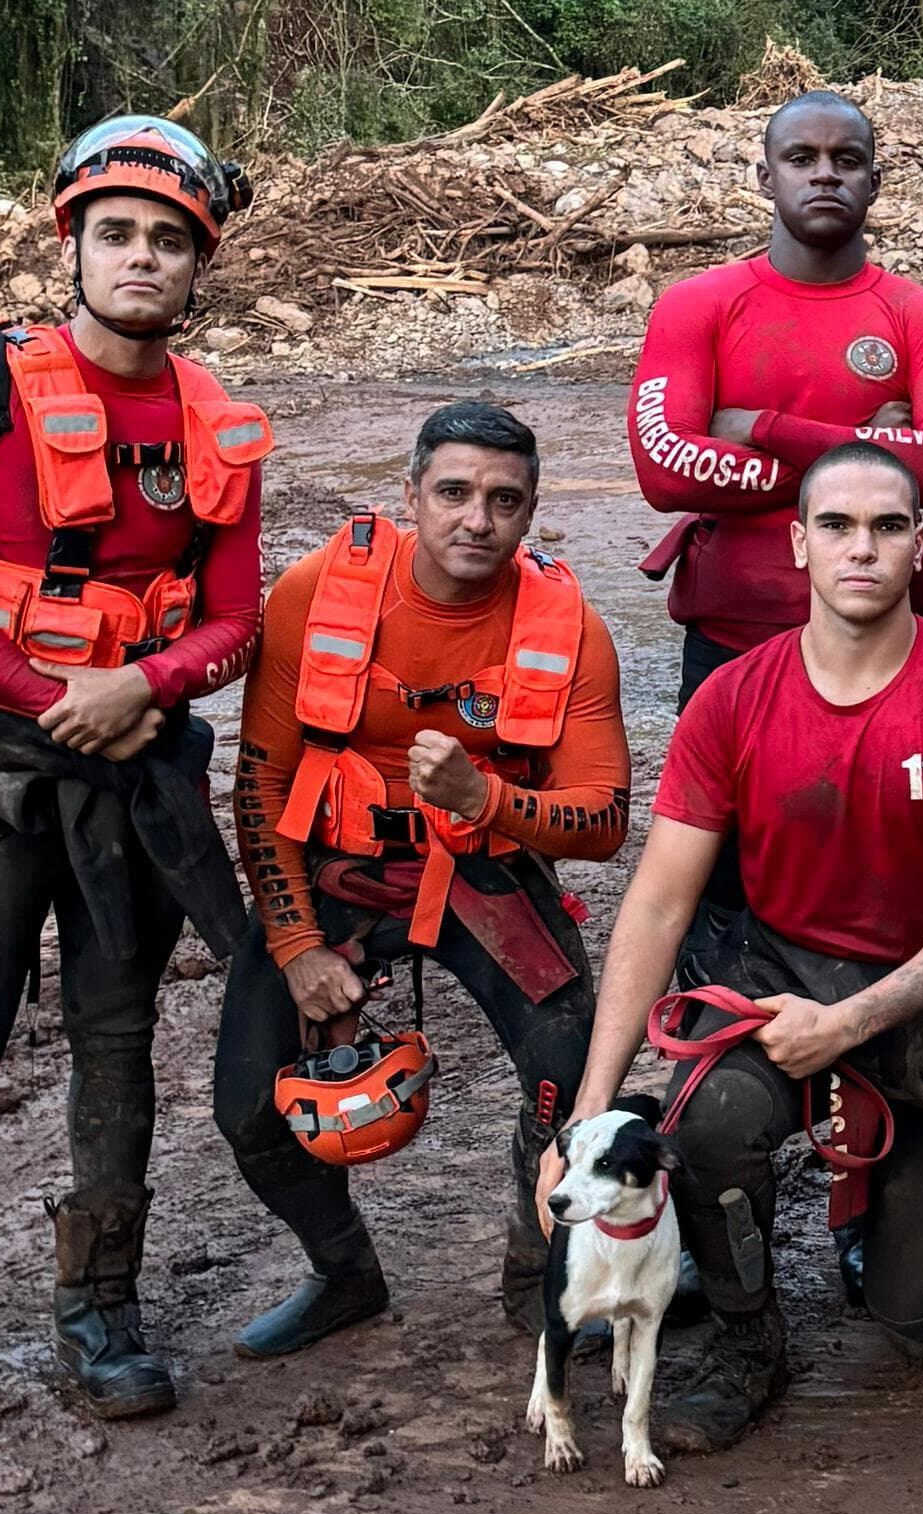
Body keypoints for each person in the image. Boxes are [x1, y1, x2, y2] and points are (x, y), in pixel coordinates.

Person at [0, 113, 271, 1475]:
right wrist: (53, 698)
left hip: (133, 771)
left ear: (199, 263)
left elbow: (238, 621)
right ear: (71, 246)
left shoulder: (217, 423)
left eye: (169, 240)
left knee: (116, 1045)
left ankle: (102, 1316)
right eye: (118, 233)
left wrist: (140, 686)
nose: (143, 257)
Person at [547, 439, 923, 1452]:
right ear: (797, 544)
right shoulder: (734, 697)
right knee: (708, 1123)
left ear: (920, 543)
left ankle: (878, 1208)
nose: (861, 547)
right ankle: (749, 1337)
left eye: (886, 526)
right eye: (837, 525)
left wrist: (852, 1023)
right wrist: (592, 1109)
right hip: (779, 982)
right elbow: (657, 902)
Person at [216, 400, 630, 1355]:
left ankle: (538, 1283)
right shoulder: (315, 593)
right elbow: (260, 783)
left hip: (483, 866)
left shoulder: (571, 628)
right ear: (410, 496)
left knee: (571, 1082)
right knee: (247, 1108)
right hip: (336, 867)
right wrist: (297, 946)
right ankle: (342, 1274)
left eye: (504, 501)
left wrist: (486, 797)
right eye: (453, 493)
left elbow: (605, 821)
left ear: (530, 514)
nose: (476, 520)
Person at [627, 89, 923, 973]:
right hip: (732, 648)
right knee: (717, 885)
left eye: (846, 159)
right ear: (765, 176)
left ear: (875, 180)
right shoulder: (698, 304)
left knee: (892, 879)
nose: (825, 174)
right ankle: (712, 1036)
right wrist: (872, 449)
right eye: (802, 158)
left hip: (890, 653)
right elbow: (665, 470)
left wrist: (765, 428)